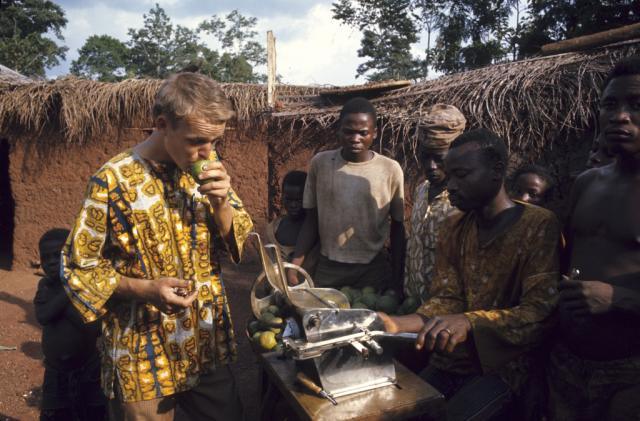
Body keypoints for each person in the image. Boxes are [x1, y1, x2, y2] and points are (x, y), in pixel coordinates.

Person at [61, 72, 253, 421]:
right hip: (141, 348)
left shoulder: (207, 171)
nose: (207, 152)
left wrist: (222, 202)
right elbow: (78, 266)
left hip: (204, 340)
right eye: (197, 141)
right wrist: (144, 289)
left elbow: (238, 242)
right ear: (162, 124)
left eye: (215, 141)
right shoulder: (112, 180)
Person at [379, 129, 561, 421]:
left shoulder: (538, 226)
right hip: (451, 362)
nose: (450, 185)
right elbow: (447, 299)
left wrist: (469, 322)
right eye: (450, 175)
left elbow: (540, 313)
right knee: (400, 412)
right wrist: (393, 323)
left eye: (461, 175)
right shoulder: (454, 227)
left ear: (497, 171)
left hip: (506, 369)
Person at [550, 57, 640, 420]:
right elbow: (567, 259)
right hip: (567, 361)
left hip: (630, 372)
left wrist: (618, 298)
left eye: (637, 106)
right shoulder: (587, 183)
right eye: (610, 105)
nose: (620, 116)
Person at [287, 97, 405, 291]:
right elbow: (311, 220)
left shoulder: (390, 169)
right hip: (329, 267)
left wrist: (398, 277)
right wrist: (295, 264)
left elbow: (398, 227)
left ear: (374, 133)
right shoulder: (321, 163)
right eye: (349, 132)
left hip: (373, 269)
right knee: (324, 318)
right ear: (338, 131)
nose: (355, 138)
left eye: (363, 133)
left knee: (372, 317)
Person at [34, 228, 106, 421]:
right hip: (56, 373)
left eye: (56, 255)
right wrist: (70, 289)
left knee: (94, 413)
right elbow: (43, 315)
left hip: (88, 369)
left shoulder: (88, 288)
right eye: (45, 257)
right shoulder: (45, 286)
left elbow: (93, 328)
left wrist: (66, 295)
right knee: (55, 414)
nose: (50, 261)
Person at [404, 104, 465, 303]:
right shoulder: (422, 189)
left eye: (439, 159)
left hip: (447, 309)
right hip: (414, 303)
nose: (431, 166)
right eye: (425, 157)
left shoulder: (465, 199)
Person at [266, 170, 318, 276]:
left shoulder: (315, 230)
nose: (293, 205)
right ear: (282, 197)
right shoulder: (273, 229)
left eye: (299, 200)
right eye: (288, 200)